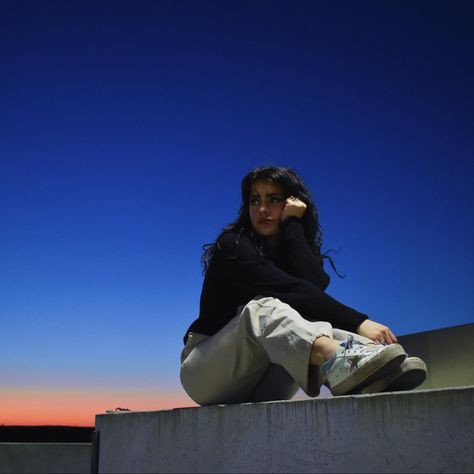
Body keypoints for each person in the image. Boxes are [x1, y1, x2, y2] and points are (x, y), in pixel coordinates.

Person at [180, 166, 426, 406]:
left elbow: (311, 289)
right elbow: (291, 289)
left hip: (261, 382)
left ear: (291, 204)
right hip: (205, 372)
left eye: (273, 199)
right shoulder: (233, 246)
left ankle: (380, 370)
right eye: (255, 201)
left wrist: (292, 226)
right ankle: (337, 358)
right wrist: (360, 322)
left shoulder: (292, 247)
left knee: (314, 324)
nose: (262, 209)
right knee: (262, 308)